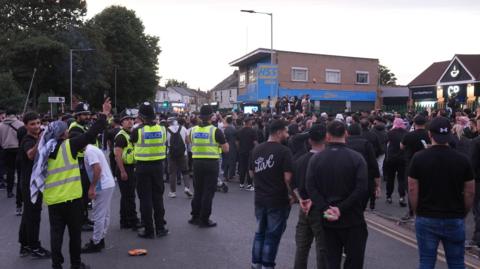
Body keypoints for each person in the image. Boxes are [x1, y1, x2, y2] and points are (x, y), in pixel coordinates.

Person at [30, 98, 111, 269]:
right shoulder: (69, 146)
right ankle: (75, 265)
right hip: (72, 199)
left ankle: (56, 265)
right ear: (62, 134)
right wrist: (104, 115)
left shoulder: (44, 150)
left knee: (56, 235)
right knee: (75, 235)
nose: (68, 132)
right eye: (66, 131)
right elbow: (91, 135)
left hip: (53, 200)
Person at [408, 116, 475, 268]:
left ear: (430, 135)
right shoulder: (463, 160)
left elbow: (412, 188)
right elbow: (470, 191)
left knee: (426, 260)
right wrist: (463, 212)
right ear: (450, 135)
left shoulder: (418, 158)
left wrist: (416, 211)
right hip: (454, 216)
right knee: (457, 262)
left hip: (426, 216)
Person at [306, 120, 368, 269]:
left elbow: (311, 187)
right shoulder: (357, 158)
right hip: (353, 218)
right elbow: (361, 188)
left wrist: (326, 208)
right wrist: (341, 208)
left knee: (331, 261)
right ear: (346, 134)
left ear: (327, 136)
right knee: (354, 260)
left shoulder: (316, 159)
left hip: (327, 218)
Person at [249, 119, 294, 269]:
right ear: (279, 132)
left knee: (260, 232)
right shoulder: (284, 151)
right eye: (286, 132)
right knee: (272, 236)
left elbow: (251, 173)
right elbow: (287, 178)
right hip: (277, 199)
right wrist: (291, 195)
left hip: (260, 198)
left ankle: (255, 263)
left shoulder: (256, 150)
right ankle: (268, 265)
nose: (287, 135)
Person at [131, 102, 169, 238]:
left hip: (142, 167)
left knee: (145, 199)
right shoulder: (162, 129)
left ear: (141, 116)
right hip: (158, 167)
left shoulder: (137, 131)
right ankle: (160, 228)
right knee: (158, 197)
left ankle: (148, 230)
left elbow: (132, 142)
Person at [292, 124, 328, 269]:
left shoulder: (300, 160)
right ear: (326, 138)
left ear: (309, 141)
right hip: (320, 208)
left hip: (304, 207)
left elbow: (292, 183)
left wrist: (301, 199)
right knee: (322, 247)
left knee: (302, 247)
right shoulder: (326, 160)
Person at [188, 105, 228, 228]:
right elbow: (226, 149)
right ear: (211, 117)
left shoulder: (193, 130)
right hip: (211, 164)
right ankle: (204, 219)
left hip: (197, 163)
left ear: (200, 117)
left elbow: (188, 141)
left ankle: (195, 216)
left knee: (198, 190)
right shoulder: (215, 130)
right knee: (208, 192)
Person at [17, 112, 51, 258]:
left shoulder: (36, 137)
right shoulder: (28, 139)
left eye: (38, 123)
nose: (36, 126)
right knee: (33, 216)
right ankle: (34, 247)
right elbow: (31, 154)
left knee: (28, 215)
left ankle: (24, 245)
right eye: (32, 124)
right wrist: (41, 140)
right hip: (30, 184)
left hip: (33, 182)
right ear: (26, 126)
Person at [81, 144, 115, 253]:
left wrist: (92, 187)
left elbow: (97, 169)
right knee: (104, 214)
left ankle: (96, 242)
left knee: (98, 215)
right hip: (107, 184)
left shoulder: (88, 152)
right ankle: (100, 238)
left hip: (102, 185)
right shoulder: (93, 148)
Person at [69, 102, 94, 231]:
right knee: (81, 193)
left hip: (84, 162)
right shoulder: (75, 128)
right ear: (77, 116)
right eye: (84, 115)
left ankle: (84, 218)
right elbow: (84, 144)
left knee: (84, 194)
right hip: (79, 163)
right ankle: (81, 220)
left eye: (87, 114)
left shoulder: (81, 127)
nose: (87, 117)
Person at [114, 109, 140, 230]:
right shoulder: (121, 136)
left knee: (126, 196)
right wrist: (122, 171)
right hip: (124, 168)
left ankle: (124, 221)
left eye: (131, 119)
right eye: (127, 120)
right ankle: (132, 220)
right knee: (129, 196)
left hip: (130, 167)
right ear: (122, 122)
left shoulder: (130, 133)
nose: (130, 122)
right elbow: (117, 155)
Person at [346, 123, 381, 210]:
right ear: (360, 132)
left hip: (346, 180)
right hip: (365, 178)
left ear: (348, 132)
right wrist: (377, 184)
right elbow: (373, 164)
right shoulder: (366, 144)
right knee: (361, 207)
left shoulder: (344, 143)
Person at [0, 109, 24, 201]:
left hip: (6, 150)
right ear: (14, 115)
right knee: (20, 171)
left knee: (10, 171)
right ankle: (20, 190)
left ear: (6, 115)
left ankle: (9, 191)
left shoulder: (1, 125)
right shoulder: (21, 124)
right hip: (18, 149)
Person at [166, 116, 192, 198]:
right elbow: (188, 141)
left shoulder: (166, 130)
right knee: (185, 171)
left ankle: (172, 192)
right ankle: (187, 188)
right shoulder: (183, 128)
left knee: (172, 173)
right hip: (183, 153)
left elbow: (165, 142)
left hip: (171, 154)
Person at [384, 118, 408, 207]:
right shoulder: (406, 133)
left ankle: (389, 196)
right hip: (402, 158)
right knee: (401, 178)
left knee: (390, 177)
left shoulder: (390, 133)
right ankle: (402, 197)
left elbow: (386, 143)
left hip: (391, 158)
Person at [236, 117, 257, 191]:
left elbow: (237, 143)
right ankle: (249, 185)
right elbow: (255, 142)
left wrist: (239, 149)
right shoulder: (252, 131)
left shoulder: (239, 131)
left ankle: (241, 184)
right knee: (249, 168)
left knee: (242, 168)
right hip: (250, 152)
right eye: (251, 121)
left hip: (242, 152)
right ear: (249, 122)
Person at [222, 116, 237, 181]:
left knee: (226, 161)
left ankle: (225, 175)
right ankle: (231, 175)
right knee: (232, 162)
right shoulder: (233, 128)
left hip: (226, 146)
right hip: (233, 146)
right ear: (231, 121)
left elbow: (224, 139)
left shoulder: (225, 129)